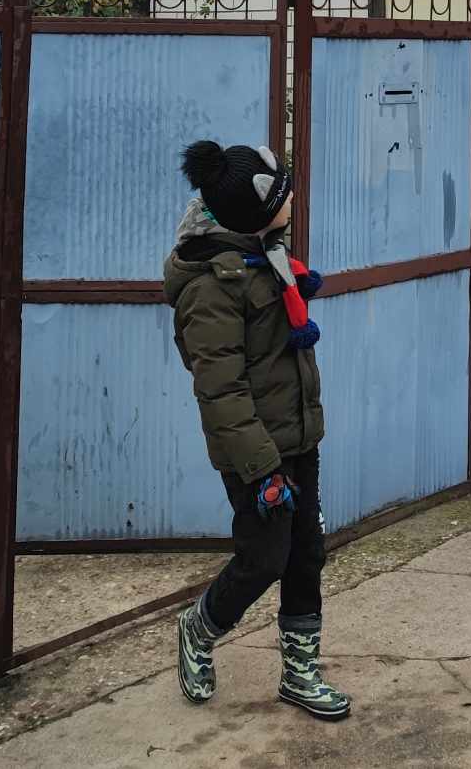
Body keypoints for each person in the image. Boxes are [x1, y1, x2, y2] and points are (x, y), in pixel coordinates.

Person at [165, 138, 349, 720]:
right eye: (284, 196)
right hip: (255, 453)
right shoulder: (210, 288)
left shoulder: (263, 253)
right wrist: (264, 469)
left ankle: (300, 673)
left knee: (306, 554)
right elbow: (221, 392)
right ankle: (199, 627)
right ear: (255, 212)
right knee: (265, 558)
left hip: (299, 435)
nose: (294, 202)